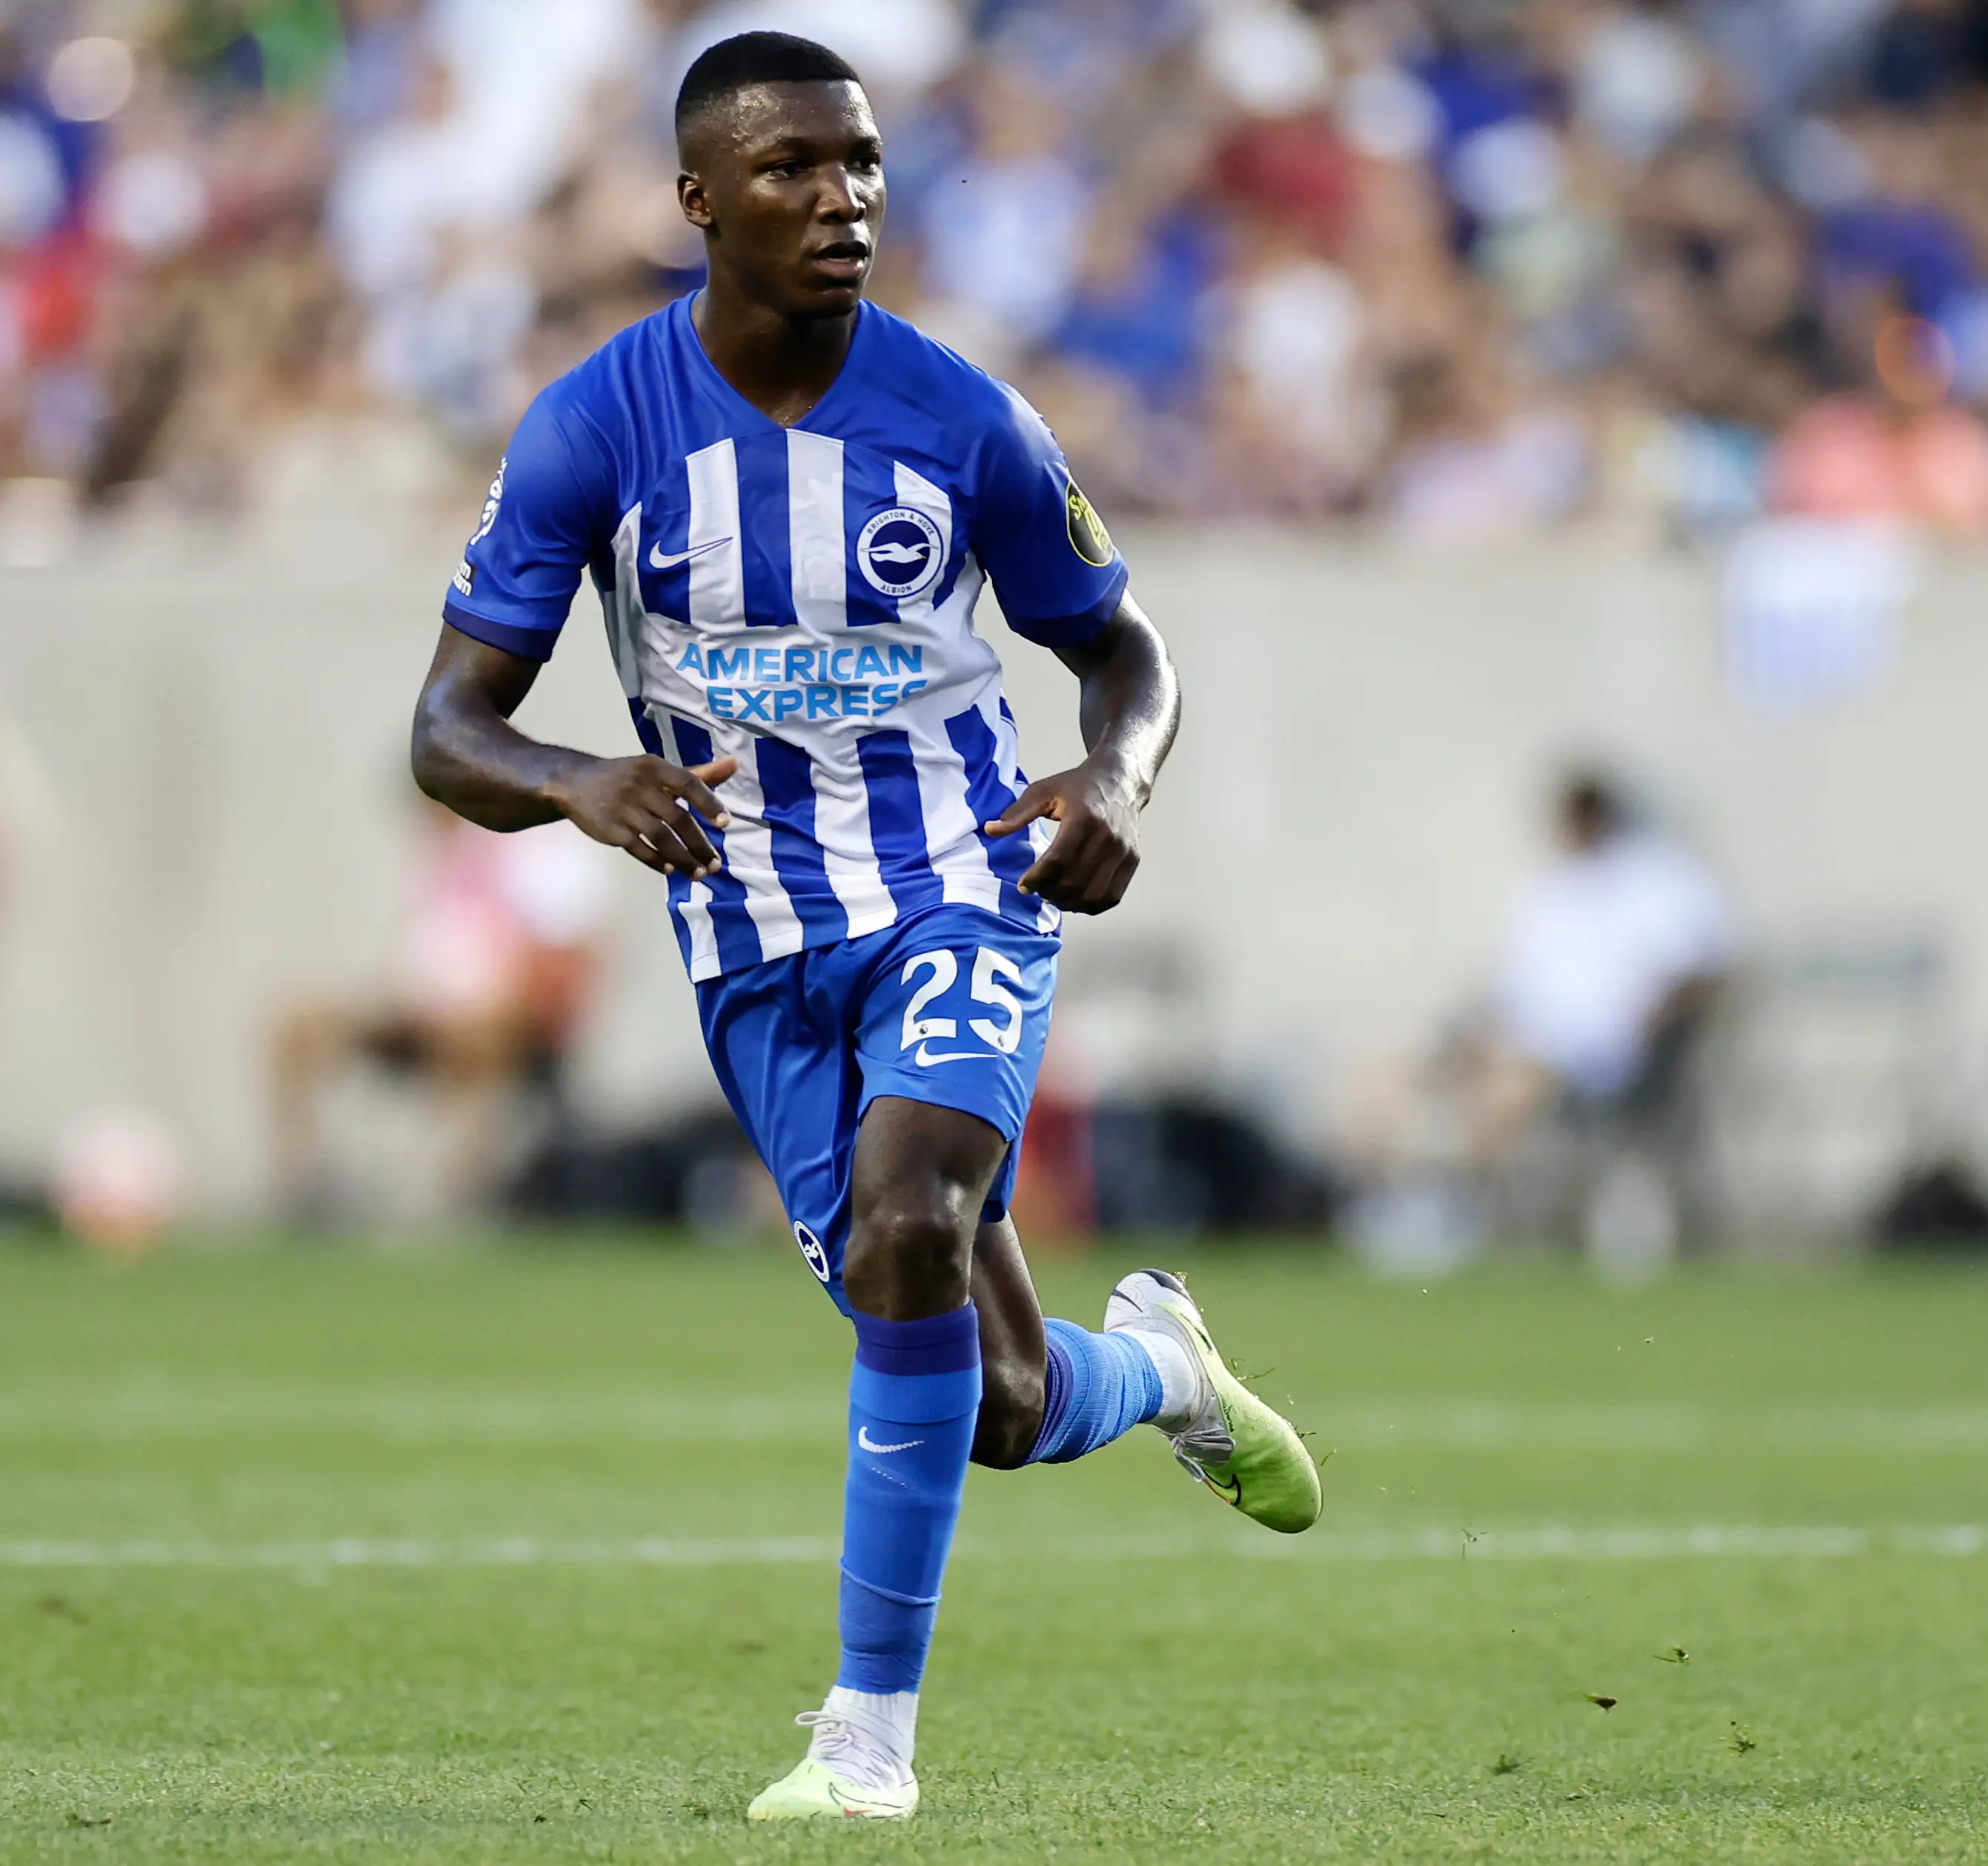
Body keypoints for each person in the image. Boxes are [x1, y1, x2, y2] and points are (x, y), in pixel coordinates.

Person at [405, 33, 1320, 1822]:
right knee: (990, 1387)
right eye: (793, 169)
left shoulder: (964, 418)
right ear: (696, 200)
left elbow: (1121, 647)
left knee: (912, 1224)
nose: (841, 200)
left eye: (863, 165)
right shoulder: (598, 425)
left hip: (955, 884)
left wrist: (1111, 779)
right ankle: (1159, 1375)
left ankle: (864, 1738)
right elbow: (444, 728)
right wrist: (582, 777)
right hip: (750, 939)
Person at [269, 799, 607, 1220]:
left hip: (498, 1018)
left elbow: (563, 968)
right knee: (300, 1025)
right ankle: (311, 1183)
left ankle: (450, 1196)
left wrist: (493, 1004)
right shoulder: (435, 849)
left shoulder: (542, 851)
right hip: (415, 1010)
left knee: (470, 1040)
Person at [1486, 773, 1733, 1253]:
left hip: (1630, 1054)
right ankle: (1484, 1216)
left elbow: (1711, 964)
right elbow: (1514, 988)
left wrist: (1658, 1020)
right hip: (1548, 1051)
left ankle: (1504, 1225)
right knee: (1484, 1083)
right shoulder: (1545, 889)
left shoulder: (1656, 880)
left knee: (1512, 1091)